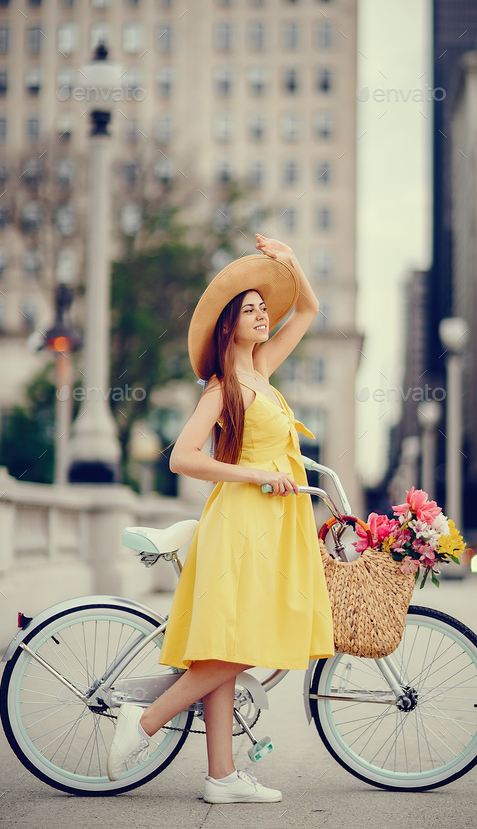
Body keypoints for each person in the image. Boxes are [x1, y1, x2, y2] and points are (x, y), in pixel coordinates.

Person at [106, 234, 334, 803]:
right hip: (241, 523)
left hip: (273, 524)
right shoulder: (223, 387)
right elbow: (184, 457)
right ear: (229, 326)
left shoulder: (264, 370)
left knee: (225, 650)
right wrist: (254, 475)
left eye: (263, 309)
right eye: (251, 311)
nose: (263, 316)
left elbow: (307, 309)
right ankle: (144, 721)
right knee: (237, 645)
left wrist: (292, 262)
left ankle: (222, 777)